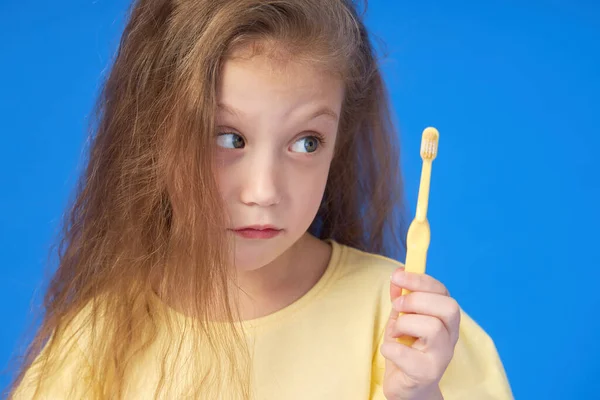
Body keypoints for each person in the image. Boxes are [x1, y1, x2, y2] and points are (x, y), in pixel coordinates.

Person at [7, 0, 513, 399]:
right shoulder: (93, 343)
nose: (264, 192)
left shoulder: (412, 334)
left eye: (306, 142)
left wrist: (419, 398)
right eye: (227, 138)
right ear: (151, 138)